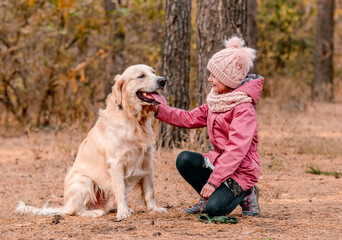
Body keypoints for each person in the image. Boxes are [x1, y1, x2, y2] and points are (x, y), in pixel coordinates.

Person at [151, 36, 263, 217]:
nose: (210, 79)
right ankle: (210, 196)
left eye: (214, 75)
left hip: (241, 173)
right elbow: (189, 118)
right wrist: (157, 110)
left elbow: (236, 150)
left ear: (229, 78)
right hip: (219, 164)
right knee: (185, 159)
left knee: (214, 210)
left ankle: (248, 192)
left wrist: (212, 182)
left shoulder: (244, 110)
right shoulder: (217, 101)